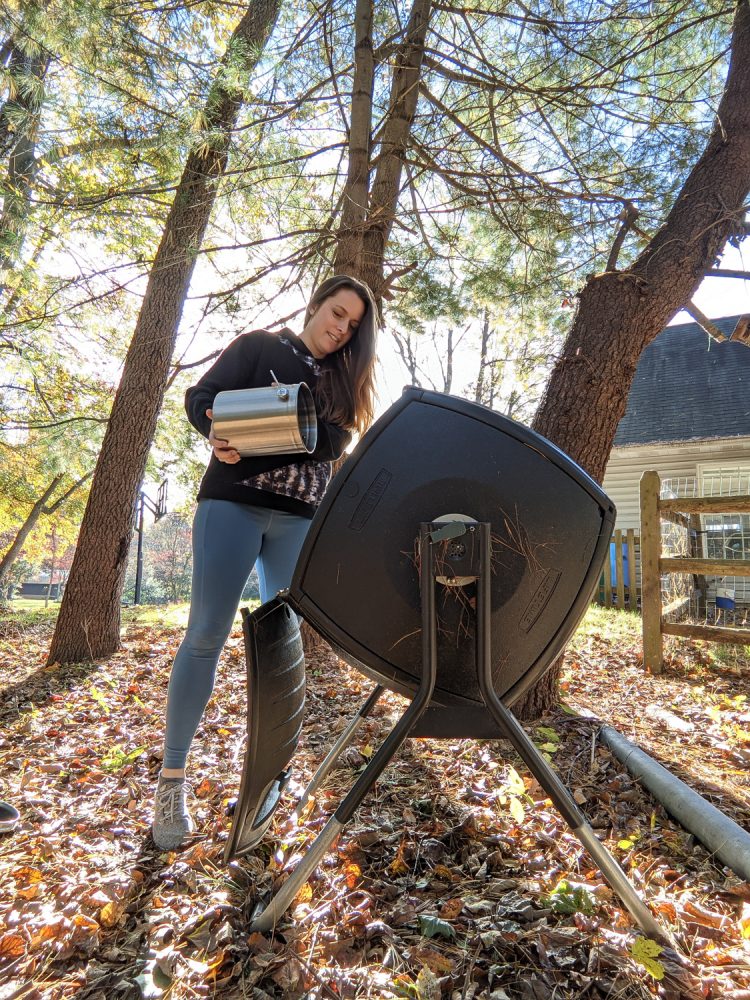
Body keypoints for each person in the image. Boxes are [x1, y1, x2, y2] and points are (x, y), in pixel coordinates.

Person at [151, 275, 379, 850]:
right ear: (316, 305)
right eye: (337, 313)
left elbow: (334, 442)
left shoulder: (345, 379)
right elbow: (201, 397)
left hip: (299, 521)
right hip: (232, 505)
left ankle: (266, 782)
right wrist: (217, 428)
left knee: (282, 648)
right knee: (205, 634)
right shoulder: (259, 346)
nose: (341, 329)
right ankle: (171, 781)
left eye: (353, 325)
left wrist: (266, 428)